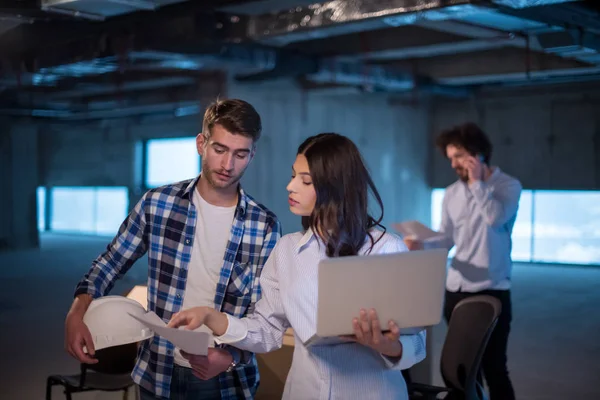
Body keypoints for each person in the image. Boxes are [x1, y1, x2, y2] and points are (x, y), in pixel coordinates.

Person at [167, 133, 427, 400]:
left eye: (305, 181)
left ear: (335, 187)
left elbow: (417, 344)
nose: (290, 187)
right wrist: (214, 318)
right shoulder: (287, 250)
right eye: (293, 176)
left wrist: (385, 344)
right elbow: (267, 331)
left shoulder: (386, 248)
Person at [64, 98, 282, 400]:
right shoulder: (158, 204)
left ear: (252, 154)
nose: (228, 165)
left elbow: (265, 320)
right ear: (201, 143)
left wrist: (231, 357)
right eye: (219, 149)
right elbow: (111, 262)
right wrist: (78, 310)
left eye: (240, 154)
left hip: (222, 382)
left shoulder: (265, 226)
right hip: (157, 372)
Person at [405, 122, 521, 400]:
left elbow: (495, 218)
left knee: (495, 368)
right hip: (456, 288)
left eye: (457, 156)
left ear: (477, 154)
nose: (452, 163)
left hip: (491, 289)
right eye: (450, 157)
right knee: (464, 369)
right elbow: (447, 239)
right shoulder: (451, 193)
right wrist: (422, 243)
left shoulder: (508, 186)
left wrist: (478, 182)